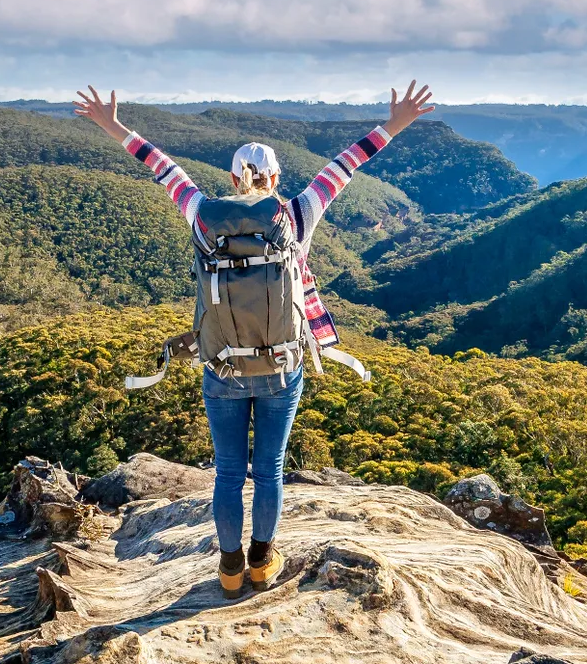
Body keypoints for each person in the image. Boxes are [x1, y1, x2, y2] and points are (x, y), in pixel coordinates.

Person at [73, 82, 435, 598]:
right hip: (281, 367)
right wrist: (395, 122)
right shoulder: (296, 215)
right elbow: (345, 165)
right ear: (276, 178)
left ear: (230, 178)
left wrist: (111, 124)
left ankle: (228, 568)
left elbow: (161, 167)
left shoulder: (201, 213)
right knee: (268, 472)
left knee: (226, 474)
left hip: (220, 366)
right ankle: (263, 563)